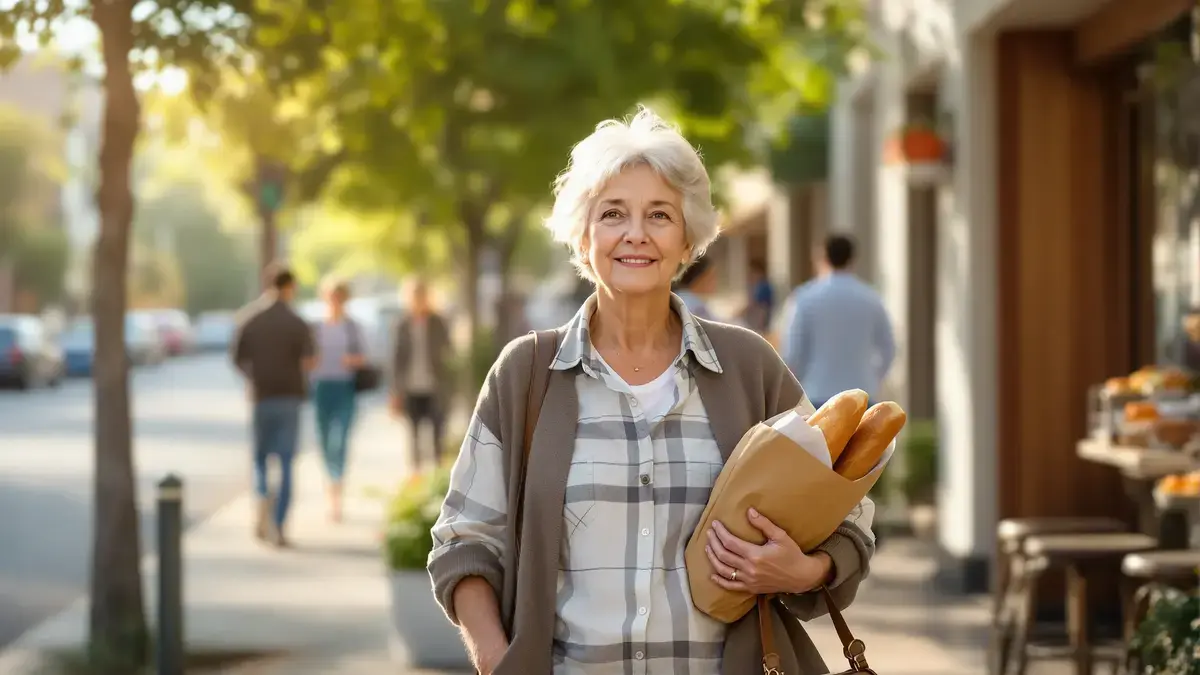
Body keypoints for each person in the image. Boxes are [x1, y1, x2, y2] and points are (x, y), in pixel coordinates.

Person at [427, 107, 875, 675]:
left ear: (687, 239)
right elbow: (465, 542)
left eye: (659, 215)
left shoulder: (748, 368)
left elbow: (848, 514)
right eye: (613, 213)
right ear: (583, 235)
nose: (635, 233)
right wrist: (498, 662)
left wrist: (804, 571)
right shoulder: (526, 375)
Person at [230, 263, 314, 548]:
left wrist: (253, 377)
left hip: (261, 396)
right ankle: (279, 524)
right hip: (289, 396)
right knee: (288, 462)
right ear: (290, 287)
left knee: (260, 459)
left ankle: (263, 495)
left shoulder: (249, 319)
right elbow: (310, 360)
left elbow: (236, 359)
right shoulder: (297, 321)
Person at [780, 234, 896, 409]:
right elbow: (889, 348)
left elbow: (793, 354)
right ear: (853, 259)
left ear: (821, 258)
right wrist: (873, 377)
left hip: (817, 395)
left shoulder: (804, 298)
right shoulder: (871, 298)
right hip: (862, 395)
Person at [309, 277, 366, 523]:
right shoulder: (316, 327)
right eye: (331, 296)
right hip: (321, 388)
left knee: (339, 440)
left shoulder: (353, 327)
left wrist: (350, 360)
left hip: (345, 387)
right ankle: (330, 486)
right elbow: (306, 360)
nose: (335, 301)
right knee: (323, 442)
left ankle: (336, 499)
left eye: (339, 297)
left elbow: (363, 358)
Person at [389, 279, 454, 469]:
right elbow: (395, 360)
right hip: (410, 387)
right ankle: (416, 476)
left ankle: (437, 475)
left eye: (421, 296)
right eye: (414, 296)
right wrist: (394, 392)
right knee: (414, 435)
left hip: (435, 385)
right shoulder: (402, 324)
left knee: (437, 436)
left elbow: (449, 352)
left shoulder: (438, 322)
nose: (418, 300)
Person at [672, 252, 718, 321]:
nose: (715, 282)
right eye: (711, 277)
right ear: (698, 278)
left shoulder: (681, 298)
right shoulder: (692, 305)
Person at [740, 260, 774, 334]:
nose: (749, 275)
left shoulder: (763, 286)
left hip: (762, 323)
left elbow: (753, 304)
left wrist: (738, 314)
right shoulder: (758, 285)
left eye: (752, 272)